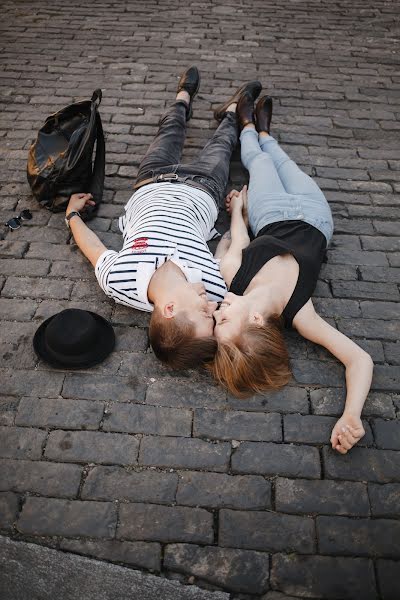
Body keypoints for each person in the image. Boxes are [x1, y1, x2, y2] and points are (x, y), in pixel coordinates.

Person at [64, 67, 262, 368]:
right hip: (203, 187)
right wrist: (237, 215)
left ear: (169, 308)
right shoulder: (215, 287)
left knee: (169, 130)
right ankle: (233, 110)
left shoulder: (119, 281)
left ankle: (183, 96)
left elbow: (93, 248)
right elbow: (226, 249)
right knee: (223, 144)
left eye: (204, 313)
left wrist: (72, 216)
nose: (213, 306)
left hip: (151, 181)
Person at [211, 91, 374, 454]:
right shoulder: (300, 314)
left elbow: (238, 237)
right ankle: (261, 129)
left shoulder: (232, 274)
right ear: (255, 319)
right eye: (223, 320)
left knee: (260, 164)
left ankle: (249, 124)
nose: (217, 311)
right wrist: (351, 414)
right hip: (318, 217)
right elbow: (358, 358)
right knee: (285, 164)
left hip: (270, 212)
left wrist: (239, 209)